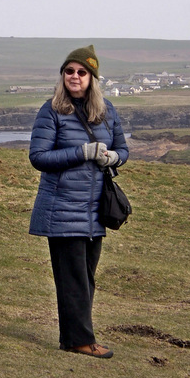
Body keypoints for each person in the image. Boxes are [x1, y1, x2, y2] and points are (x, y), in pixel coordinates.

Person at [28, 45, 129, 358]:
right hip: (61, 210)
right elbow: (39, 157)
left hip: (94, 211)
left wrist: (113, 157)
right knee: (73, 280)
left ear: (92, 78)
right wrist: (82, 153)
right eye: (69, 71)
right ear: (62, 76)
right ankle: (80, 341)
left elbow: (124, 150)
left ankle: (75, 338)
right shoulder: (51, 111)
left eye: (81, 72)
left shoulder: (107, 111)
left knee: (86, 278)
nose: (75, 76)